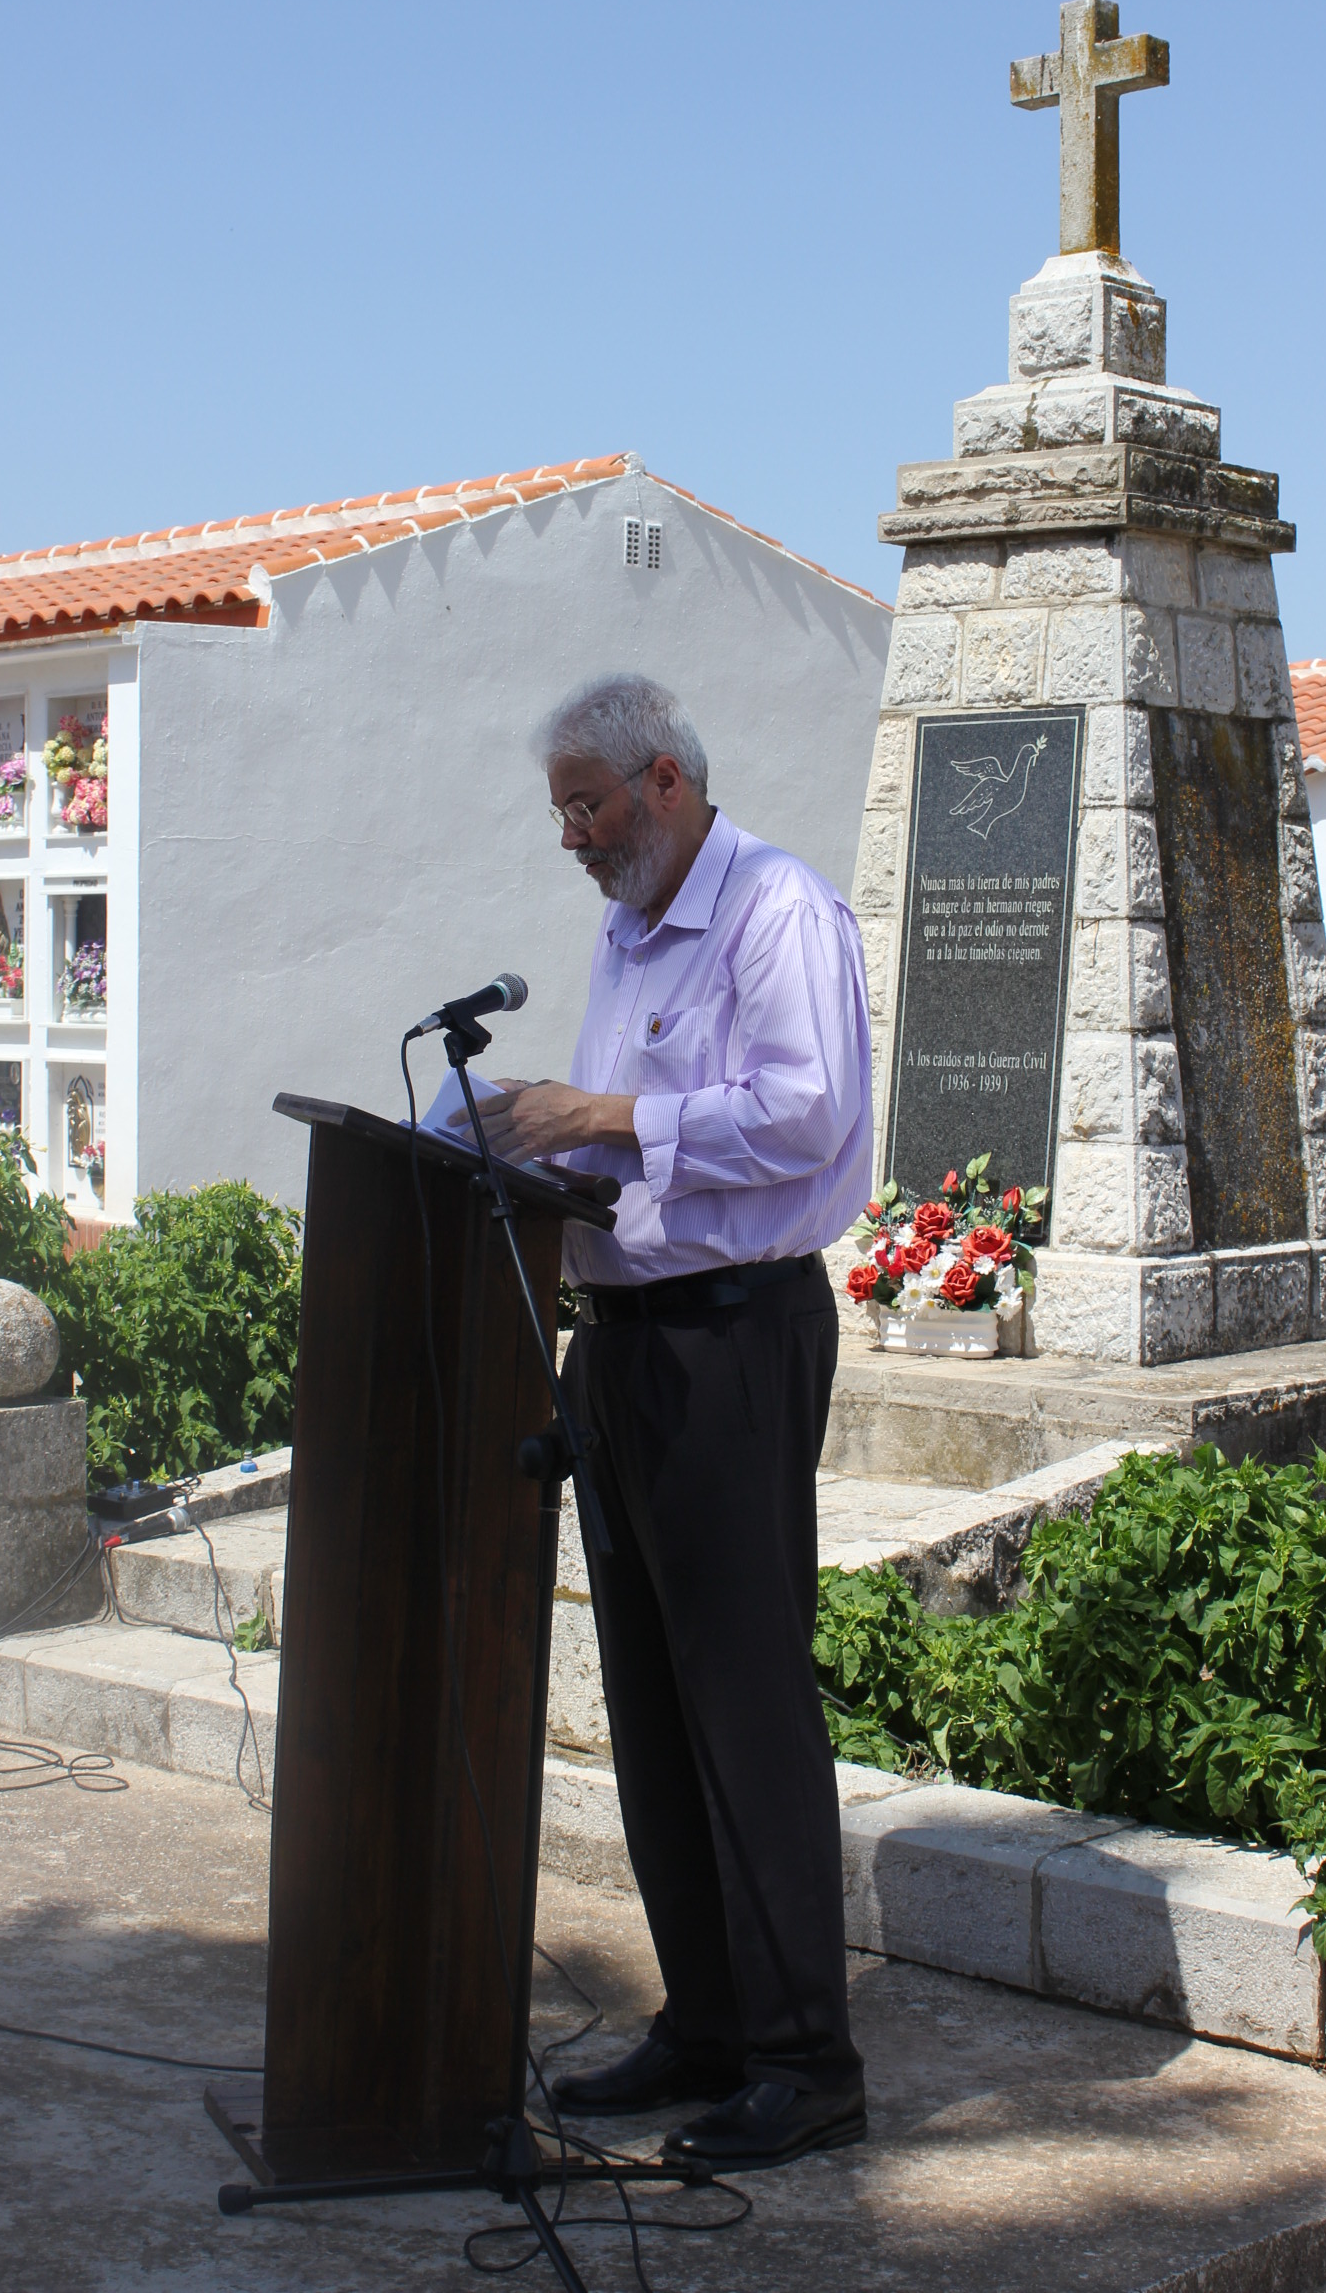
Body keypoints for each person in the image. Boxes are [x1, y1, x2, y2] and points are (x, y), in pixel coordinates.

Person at [469, 672, 873, 2173]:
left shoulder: (780, 912)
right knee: (649, 1701)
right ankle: (706, 2023)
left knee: (746, 1699)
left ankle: (803, 2059)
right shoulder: (628, 926)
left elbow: (807, 1112)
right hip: (622, 1344)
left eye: (587, 805)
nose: (572, 837)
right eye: (562, 813)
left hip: (733, 1341)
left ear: (664, 779)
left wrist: (604, 1118)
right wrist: (536, 1144)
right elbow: (624, 1144)